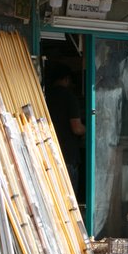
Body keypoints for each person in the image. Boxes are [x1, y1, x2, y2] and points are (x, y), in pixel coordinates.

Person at [46, 65, 86, 198]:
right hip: (68, 155)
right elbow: (76, 128)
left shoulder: (44, 95)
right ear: (67, 79)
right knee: (69, 197)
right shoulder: (70, 98)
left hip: (47, 152)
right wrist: (90, 130)